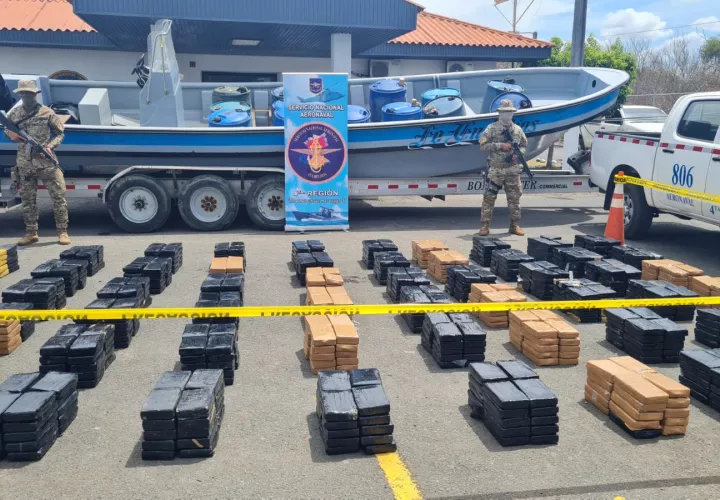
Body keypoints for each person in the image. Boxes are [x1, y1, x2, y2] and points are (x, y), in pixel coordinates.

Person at [3, 80, 70, 246]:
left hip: (45, 162)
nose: (27, 96)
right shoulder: (15, 113)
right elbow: (6, 129)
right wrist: (11, 135)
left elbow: (60, 133)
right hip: (25, 163)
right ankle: (31, 232)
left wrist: (49, 147)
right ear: (20, 94)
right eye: (24, 93)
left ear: (35, 94)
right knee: (27, 199)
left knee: (58, 197)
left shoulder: (47, 112)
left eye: (30, 93)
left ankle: (62, 232)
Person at [478, 99, 528, 236]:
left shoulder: (518, 130)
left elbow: (524, 145)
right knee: (489, 198)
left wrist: (518, 154)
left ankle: (514, 225)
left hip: (512, 169)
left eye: (510, 112)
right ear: (499, 113)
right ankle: (485, 226)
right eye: (505, 112)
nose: (508, 115)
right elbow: (482, 145)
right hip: (496, 169)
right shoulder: (491, 128)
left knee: (514, 198)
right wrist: (500, 145)